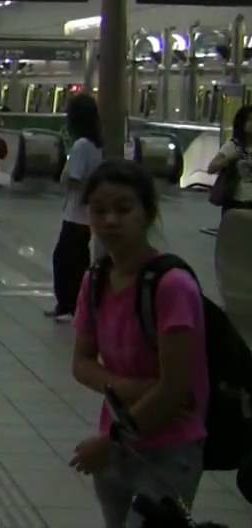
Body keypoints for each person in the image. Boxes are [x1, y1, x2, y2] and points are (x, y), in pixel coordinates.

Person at [69, 159, 208, 528]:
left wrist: (112, 441)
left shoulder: (172, 286)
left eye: (123, 208)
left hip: (168, 448)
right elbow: (81, 362)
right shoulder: (96, 279)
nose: (110, 220)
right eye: (99, 210)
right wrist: (126, 387)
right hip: (115, 447)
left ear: (147, 213)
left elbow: (175, 388)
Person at [47, 93, 105, 321]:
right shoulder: (96, 144)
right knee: (77, 259)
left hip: (76, 213)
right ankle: (72, 305)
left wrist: (65, 178)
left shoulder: (81, 145)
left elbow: (75, 177)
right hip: (84, 214)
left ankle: (69, 305)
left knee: (64, 259)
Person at [207, 104, 252, 215]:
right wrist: (230, 158)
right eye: (249, 120)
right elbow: (211, 168)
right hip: (235, 202)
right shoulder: (232, 145)